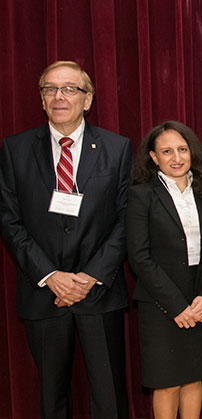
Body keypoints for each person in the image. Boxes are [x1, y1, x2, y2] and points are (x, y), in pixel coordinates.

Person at [0, 60, 131, 418]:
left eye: (70, 89)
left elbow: (126, 221)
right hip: (43, 292)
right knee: (51, 400)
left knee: (109, 399)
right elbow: (10, 221)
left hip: (99, 292)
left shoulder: (117, 148)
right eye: (50, 89)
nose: (59, 97)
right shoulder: (14, 149)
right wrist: (51, 276)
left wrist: (89, 277)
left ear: (87, 100)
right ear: (41, 100)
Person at [126, 121, 202, 419]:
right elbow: (139, 257)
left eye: (182, 149)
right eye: (166, 151)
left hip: (199, 301)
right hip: (161, 304)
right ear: (153, 157)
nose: (176, 158)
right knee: (166, 384)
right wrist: (177, 306)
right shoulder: (142, 195)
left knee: (193, 379)